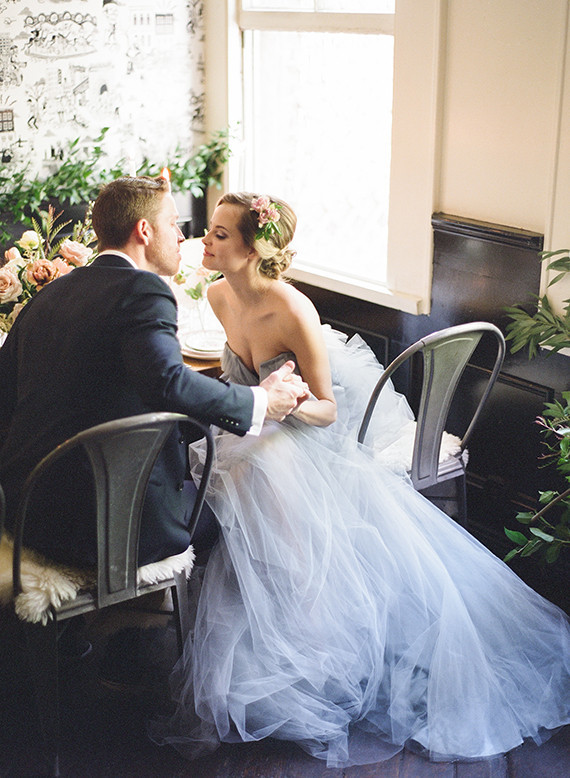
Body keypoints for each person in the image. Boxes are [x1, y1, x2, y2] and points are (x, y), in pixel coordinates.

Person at [150, 192, 570, 767]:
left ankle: (313, 663)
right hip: (247, 438)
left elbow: (327, 409)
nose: (206, 242)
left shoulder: (292, 310)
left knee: (259, 482)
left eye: (220, 235)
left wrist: (283, 404)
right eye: (210, 232)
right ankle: (254, 653)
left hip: (298, 442)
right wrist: (254, 408)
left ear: (254, 249)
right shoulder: (219, 296)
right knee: (217, 479)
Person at [0, 177, 308, 570]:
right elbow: (168, 382)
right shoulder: (144, 290)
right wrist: (261, 400)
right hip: (107, 531)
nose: (182, 236)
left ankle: (133, 616)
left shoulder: (51, 293)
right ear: (144, 231)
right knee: (243, 499)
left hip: (27, 513)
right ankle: (168, 619)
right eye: (173, 224)